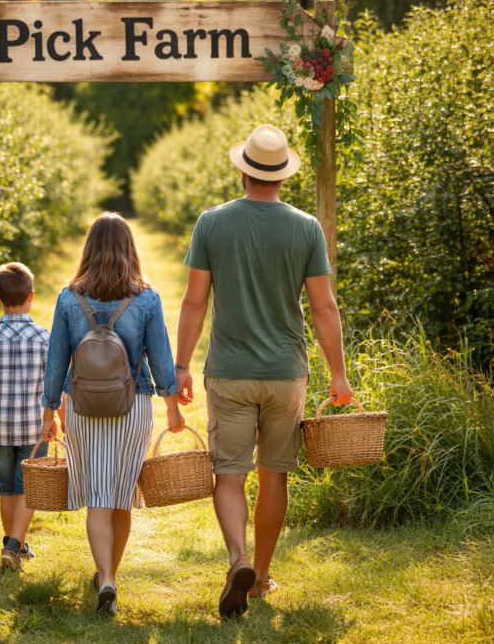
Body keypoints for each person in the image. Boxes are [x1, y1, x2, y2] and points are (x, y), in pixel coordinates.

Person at [175, 124, 354, 619]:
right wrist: (337, 374)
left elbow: (194, 302)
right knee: (275, 474)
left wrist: (181, 365)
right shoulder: (305, 228)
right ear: (283, 175)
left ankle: (239, 559)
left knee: (229, 473)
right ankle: (262, 576)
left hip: (229, 371)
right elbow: (323, 308)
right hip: (285, 372)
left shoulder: (211, 223)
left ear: (243, 169)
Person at [40, 213, 185, 617]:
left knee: (97, 498)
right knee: (121, 496)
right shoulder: (147, 297)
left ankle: (104, 576)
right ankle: (110, 577)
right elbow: (160, 360)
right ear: (129, 248)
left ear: (88, 248)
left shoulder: (70, 297)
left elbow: (57, 362)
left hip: (83, 408)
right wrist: (172, 407)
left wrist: (51, 409)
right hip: (132, 406)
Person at [0, 262, 53, 572]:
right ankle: (14, 546)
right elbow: (53, 385)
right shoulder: (45, 338)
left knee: (7, 489)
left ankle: (12, 543)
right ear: (31, 295)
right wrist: (51, 416)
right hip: (34, 428)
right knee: (28, 491)